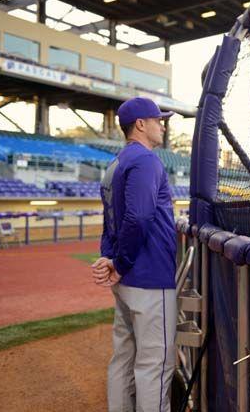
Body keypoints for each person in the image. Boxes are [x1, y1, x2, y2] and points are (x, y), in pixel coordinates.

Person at [91, 97, 178, 412]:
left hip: (127, 279)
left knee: (124, 358)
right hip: (150, 278)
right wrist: (120, 261)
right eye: (158, 119)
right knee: (155, 364)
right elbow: (138, 217)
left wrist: (110, 259)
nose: (162, 125)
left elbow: (108, 221)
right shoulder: (146, 160)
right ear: (140, 124)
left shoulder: (115, 163)